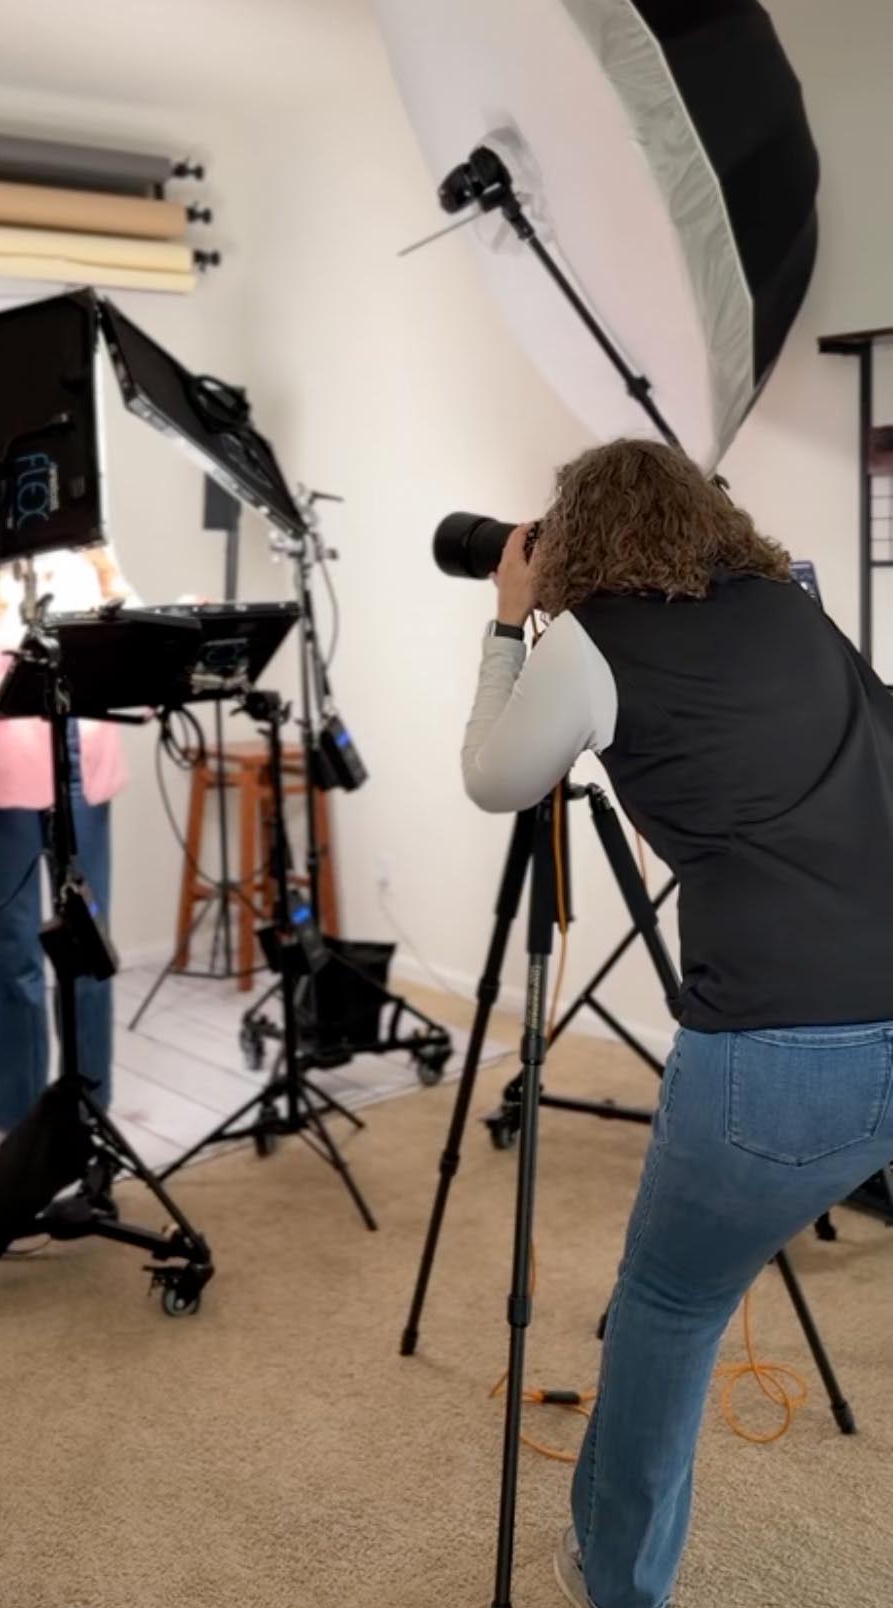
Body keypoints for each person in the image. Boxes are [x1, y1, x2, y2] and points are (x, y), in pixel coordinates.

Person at [460, 439, 892, 1608]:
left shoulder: (592, 642)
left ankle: (621, 1586)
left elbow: (497, 779)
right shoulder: (794, 608)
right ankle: (603, 1535)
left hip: (780, 1045)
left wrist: (509, 622)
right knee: (697, 1275)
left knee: (665, 1308)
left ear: (574, 541)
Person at [0, 520, 136, 1134]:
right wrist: (61, 636)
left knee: (89, 943)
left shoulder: (87, 532)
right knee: (10, 951)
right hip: (0, 759)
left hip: (86, 751)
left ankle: (90, 1111)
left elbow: (128, 616)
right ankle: (20, 1125)